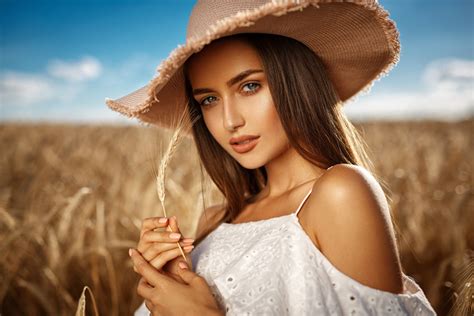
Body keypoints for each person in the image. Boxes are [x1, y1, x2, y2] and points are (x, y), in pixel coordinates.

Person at [107, 1, 438, 315]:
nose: (229, 121)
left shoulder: (341, 193)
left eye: (249, 86)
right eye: (208, 99)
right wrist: (172, 280)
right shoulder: (214, 221)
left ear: (298, 82)